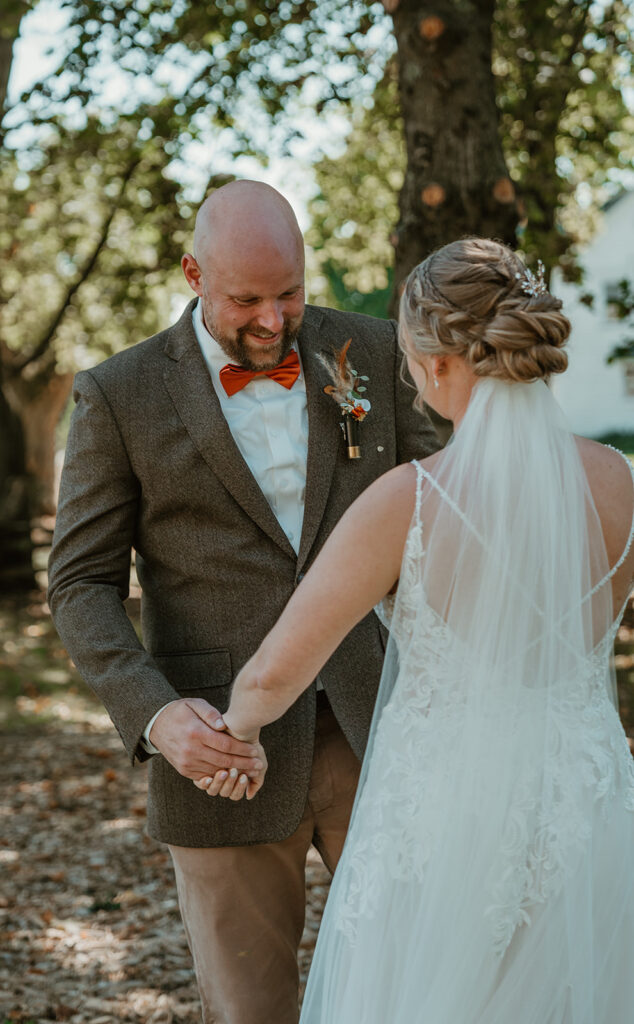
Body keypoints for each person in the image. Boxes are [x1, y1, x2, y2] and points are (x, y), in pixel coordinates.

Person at [202, 238, 634, 1022]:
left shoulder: (413, 500)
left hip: (449, 824)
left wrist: (236, 731)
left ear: (437, 363)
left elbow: (276, 671)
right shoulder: (622, 482)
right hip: (588, 805)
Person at [47, 179, 440, 1024]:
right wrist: (157, 717)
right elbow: (80, 584)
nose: (272, 320)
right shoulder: (118, 394)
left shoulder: (375, 351)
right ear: (193, 273)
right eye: (246, 299)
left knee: (427, 986)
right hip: (221, 750)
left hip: (384, 725)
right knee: (249, 1008)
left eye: (289, 293)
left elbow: (448, 508)